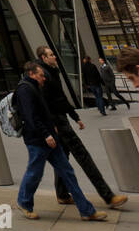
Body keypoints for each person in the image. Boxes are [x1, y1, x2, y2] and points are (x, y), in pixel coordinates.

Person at [15, 61, 107, 221]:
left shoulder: (36, 87)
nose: (44, 78)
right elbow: (31, 117)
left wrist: (53, 127)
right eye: (41, 75)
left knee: (68, 172)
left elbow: (44, 111)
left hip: (51, 139)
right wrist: (46, 134)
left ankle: (87, 211)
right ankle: (24, 202)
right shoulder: (24, 89)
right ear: (31, 74)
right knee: (35, 173)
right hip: (38, 141)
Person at [37, 46, 126, 209]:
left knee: (62, 158)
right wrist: (53, 125)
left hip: (61, 119)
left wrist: (75, 117)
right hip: (58, 123)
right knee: (83, 157)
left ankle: (62, 194)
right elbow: (45, 103)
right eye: (51, 55)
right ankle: (108, 196)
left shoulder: (52, 71)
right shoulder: (43, 75)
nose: (55, 57)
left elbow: (61, 98)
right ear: (43, 58)